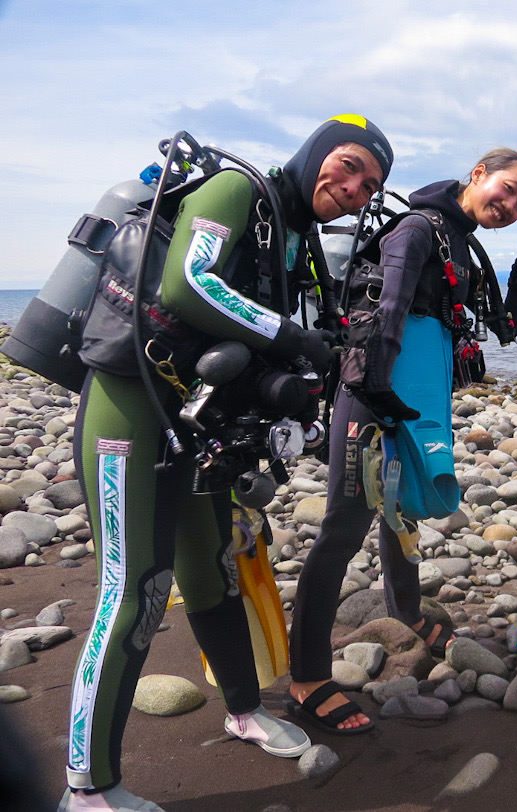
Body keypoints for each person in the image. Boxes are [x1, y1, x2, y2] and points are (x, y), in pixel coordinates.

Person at [60, 115, 393, 812]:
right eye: (351, 163)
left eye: (372, 183)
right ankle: (85, 788)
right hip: (130, 405)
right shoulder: (237, 190)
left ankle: (243, 711)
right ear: (315, 152)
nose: (356, 186)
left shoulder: (293, 239)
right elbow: (186, 284)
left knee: (211, 574)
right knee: (133, 594)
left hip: (192, 423)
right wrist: (292, 336)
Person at [287, 149, 517, 734]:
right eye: (506, 189)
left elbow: (501, 332)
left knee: (403, 507)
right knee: (342, 527)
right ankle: (306, 676)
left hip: (417, 391)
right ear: (477, 174)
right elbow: (389, 309)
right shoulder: (416, 229)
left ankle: (404, 608)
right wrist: (374, 387)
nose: (510, 206)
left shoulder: (467, 247)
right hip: (371, 389)